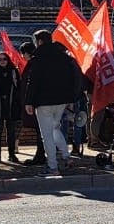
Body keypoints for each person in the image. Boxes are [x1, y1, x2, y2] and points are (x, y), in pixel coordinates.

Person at [23, 29, 81, 176]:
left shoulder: (38, 58)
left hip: (43, 101)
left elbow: (33, 81)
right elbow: (71, 79)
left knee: (47, 135)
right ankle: (66, 156)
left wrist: (29, 101)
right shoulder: (64, 57)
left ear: (39, 41)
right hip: (61, 100)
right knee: (55, 128)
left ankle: (52, 166)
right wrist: (70, 99)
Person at [0, 51, 24, 162]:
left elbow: (18, 88)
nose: (2, 61)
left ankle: (11, 154)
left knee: (11, 132)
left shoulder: (13, 71)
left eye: (4, 59)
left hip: (11, 105)